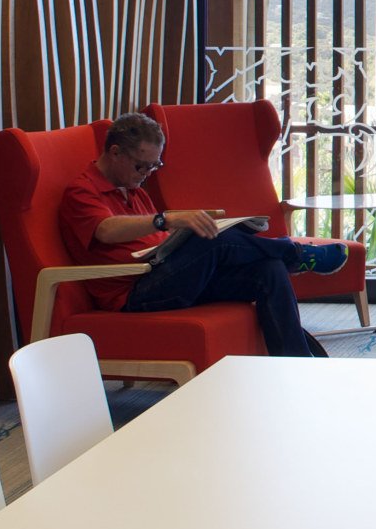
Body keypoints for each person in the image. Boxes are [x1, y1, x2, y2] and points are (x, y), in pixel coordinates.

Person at [59, 111, 339, 357]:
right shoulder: (82, 191)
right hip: (133, 294)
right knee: (213, 238)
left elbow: (156, 242)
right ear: (115, 152)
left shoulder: (134, 190)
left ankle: (295, 364)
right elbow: (105, 230)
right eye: (141, 165)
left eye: (154, 166)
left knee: (269, 269)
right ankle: (297, 253)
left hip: (166, 275)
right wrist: (165, 221)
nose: (146, 174)